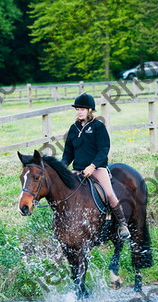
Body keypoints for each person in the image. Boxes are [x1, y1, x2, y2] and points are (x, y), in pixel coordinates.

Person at [61, 93, 130, 239]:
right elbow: (68, 153)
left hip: (97, 168)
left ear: (90, 110)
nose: (79, 112)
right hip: (78, 170)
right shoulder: (73, 129)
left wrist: (92, 166)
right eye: (78, 109)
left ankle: (122, 224)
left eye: (82, 109)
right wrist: (61, 168)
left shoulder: (98, 127)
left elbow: (104, 149)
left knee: (110, 194)